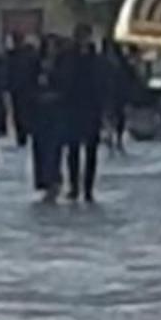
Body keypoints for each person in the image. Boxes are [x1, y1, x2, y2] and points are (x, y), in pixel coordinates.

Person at [57, 21, 105, 202]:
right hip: (72, 107)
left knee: (91, 151)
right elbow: (61, 78)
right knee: (73, 149)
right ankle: (75, 186)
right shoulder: (67, 57)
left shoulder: (96, 58)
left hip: (91, 108)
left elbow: (102, 81)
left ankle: (88, 188)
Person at [31, 35, 66, 201]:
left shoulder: (63, 65)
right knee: (40, 146)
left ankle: (55, 178)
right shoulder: (35, 65)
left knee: (54, 146)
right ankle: (43, 179)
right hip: (39, 111)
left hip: (57, 110)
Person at [5, 33, 40, 148]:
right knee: (25, 114)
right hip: (26, 89)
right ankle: (25, 135)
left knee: (21, 114)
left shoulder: (14, 55)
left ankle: (22, 137)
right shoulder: (31, 56)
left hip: (21, 89)